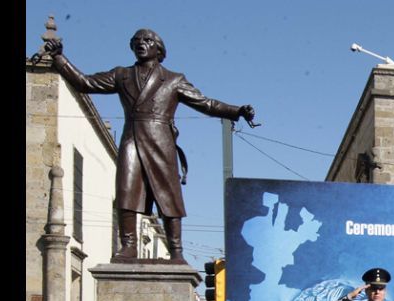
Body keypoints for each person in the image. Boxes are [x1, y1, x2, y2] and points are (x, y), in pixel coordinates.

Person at [42, 30, 255, 263]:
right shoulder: (122, 75)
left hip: (161, 140)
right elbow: (85, 83)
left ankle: (176, 251)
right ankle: (129, 246)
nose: (141, 44)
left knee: (169, 195)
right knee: (126, 190)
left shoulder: (174, 79)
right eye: (136, 41)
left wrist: (237, 111)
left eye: (147, 41)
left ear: (159, 49)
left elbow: (205, 103)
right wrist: (60, 59)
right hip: (132, 137)